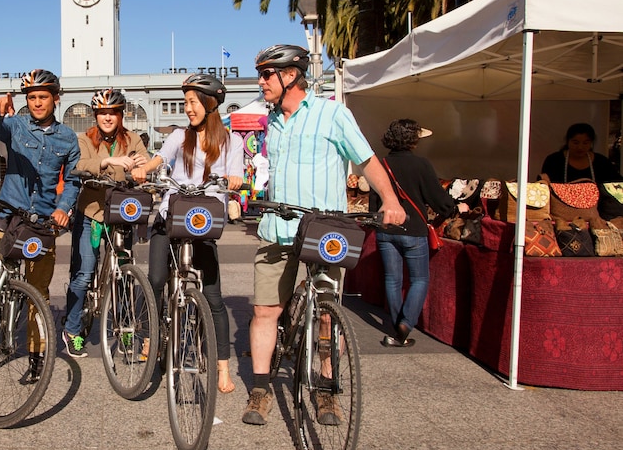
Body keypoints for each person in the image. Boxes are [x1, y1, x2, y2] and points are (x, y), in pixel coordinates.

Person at [242, 44, 406, 427]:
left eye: (268, 74)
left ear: (291, 75)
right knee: (265, 311)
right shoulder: (272, 121)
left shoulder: (333, 114)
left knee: (328, 316)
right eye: (261, 74)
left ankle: (328, 390)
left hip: (324, 230)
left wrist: (390, 200)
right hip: (277, 229)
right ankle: (261, 388)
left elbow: (366, 160)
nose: (261, 81)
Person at [0, 69, 80, 380]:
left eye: (43, 97)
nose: (38, 103)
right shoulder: (15, 126)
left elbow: (72, 181)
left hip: (42, 223)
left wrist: (63, 208)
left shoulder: (68, 137)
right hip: (6, 215)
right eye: (32, 98)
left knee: (37, 293)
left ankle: (37, 357)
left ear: (55, 99)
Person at [141, 73, 243, 394]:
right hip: (170, 217)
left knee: (213, 297)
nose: (187, 108)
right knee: (156, 280)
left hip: (202, 222)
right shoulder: (179, 137)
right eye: (185, 103)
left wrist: (233, 182)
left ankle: (222, 369)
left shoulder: (231, 142)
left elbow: (235, 175)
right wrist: (144, 168)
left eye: (193, 102)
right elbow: (160, 159)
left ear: (210, 104)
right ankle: (152, 336)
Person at [63, 88, 150, 358]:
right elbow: (78, 165)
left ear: (121, 114)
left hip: (121, 216)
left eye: (112, 112)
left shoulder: (133, 138)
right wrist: (109, 160)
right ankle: (72, 330)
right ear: (95, 115)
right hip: (91, 213)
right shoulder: (84, 139)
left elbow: (144, 165)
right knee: (84, 275)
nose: (107, 117)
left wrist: (141, 167)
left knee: (124, 276)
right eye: (102, 113)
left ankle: (125, 329)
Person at [370, 119, 467, 348]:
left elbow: (374, 200)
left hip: (386, 228)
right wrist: (454, 208)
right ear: (412, 140)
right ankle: (406, 324)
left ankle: (397, 326)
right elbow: (436, 197)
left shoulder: (381, 164)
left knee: (392, 280)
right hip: (414, 230)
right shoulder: (421, 164)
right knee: (420, 279)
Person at [540, 122, 623, 183]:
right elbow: (543, 185)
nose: (580, 147)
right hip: (560, 205)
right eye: (575, 142)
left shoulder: (601, 162)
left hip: (597, 206)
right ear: (568, 141)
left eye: (585, 143)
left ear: (591, 143)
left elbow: (616, 184)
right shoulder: (554, 161)